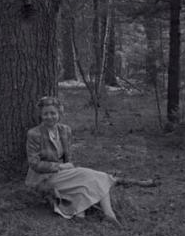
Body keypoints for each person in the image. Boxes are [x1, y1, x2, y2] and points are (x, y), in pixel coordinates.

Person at [25, 96, 120, 225]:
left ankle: (108, 215)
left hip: (64, 174)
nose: (49, 117)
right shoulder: (34, 133)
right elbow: (34, 164)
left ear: (59, 114)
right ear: (40, 116)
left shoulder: (65, 130)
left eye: (53, 113)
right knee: (92, 175)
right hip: (43, 178)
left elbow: (68, 155)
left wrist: (68, 169)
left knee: (89, 180)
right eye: (45, 114)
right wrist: (59, 167)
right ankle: (106, 213)